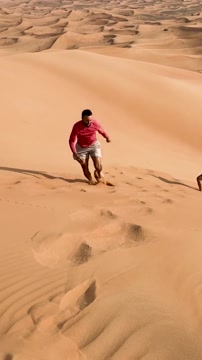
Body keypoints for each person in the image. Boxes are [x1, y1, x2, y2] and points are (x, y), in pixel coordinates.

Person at [69, 109, 111, 184]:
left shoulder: (95, 123)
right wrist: (74, 152)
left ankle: (99, 172)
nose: (89, 123)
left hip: (94, 145)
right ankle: (91, 180)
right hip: (81, 147)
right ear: (82, 119)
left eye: (90, 121)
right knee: (84, 166)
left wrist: (107, 137)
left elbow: (101, 131)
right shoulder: (77, 126)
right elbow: (72, 141)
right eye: (86, 121)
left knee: (98, 166)